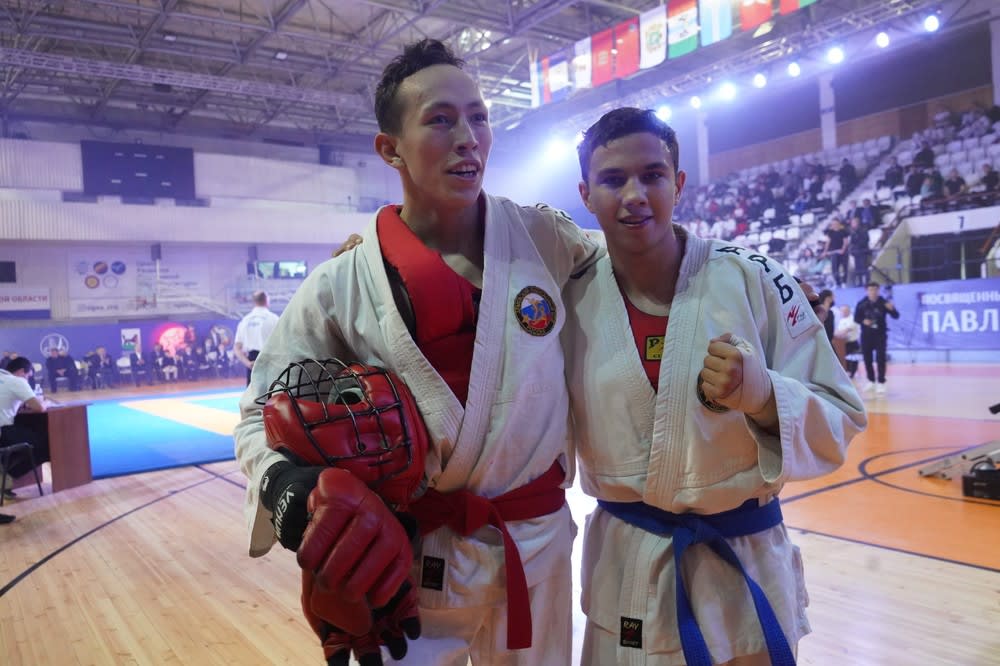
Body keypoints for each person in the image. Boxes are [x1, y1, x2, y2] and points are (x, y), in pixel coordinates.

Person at [233, 39, 599, 665]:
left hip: (536, 547)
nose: (468, 138)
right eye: (440, 119)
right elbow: (257, 414)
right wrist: (294, 492)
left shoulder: (545, 237)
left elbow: (642, 274)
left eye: (479, 117)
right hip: (410, 561)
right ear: (390, 148)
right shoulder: (343, 282)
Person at [563, 107, 866, 666]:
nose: (634, 195)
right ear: (586, 194)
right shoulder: (569, 295)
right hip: (627, 568)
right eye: (613, 179)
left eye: (652, 175)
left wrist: (765, 398)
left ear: (678, 183)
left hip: (743, 564)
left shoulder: (755, 277)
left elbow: (841, 415)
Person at [0, 357, 51, 505]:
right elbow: (39, 407)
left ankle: (5, 470)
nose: (28, 379)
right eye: (28, 376)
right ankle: (8, 475)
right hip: (3, 431)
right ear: (22, 372)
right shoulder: (17, 381)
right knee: (49, 445)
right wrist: (45, 402)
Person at [854, 282, 900, 395]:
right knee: (867, 359)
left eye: (875, 289)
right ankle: (871, 381)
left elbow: (896, 316)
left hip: (880, 335)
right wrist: (863, 321)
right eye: (870, 290)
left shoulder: (884, 302)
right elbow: (856, 318)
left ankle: (881, 382)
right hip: (866, 335)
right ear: (866, 291)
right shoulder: (861, 303)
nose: (873, 292)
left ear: (878, 290)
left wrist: (892, 309)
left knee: (880, 358)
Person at [233, 290, 280, 386]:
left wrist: (248, 363)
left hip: (252, 361)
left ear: (254, 302)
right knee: (271, 392)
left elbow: (237, 348)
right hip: (270, 361)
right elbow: (283, 343)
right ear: (267, 300)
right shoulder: (273, 319)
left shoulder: (245, 321)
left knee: (253, 393)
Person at [834, 305, 861, 379]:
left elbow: (846, 330)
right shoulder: (842, 320)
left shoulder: (853, 319)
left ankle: (852, 373)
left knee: (853, 359)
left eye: (845, 311)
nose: (843, 312)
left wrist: (839, 333)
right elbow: (838, 331)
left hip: (852, 343)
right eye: (842, 311)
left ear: (849, 311)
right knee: (845, 359)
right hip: (842, 344)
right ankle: (846, 372)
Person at [820, 217, 848, 288]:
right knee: (834, 268)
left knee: (845, 268)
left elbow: (845, 241)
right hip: (834, 253)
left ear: (839, 224)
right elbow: (828, 242)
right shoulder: (830, 232)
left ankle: (844, 282)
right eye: (833, 224)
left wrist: (843, 250)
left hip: (843, 253)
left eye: (835, 223)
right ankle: (838, 283)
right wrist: (825, 252)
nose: (834, 225)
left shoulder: (843, 231)